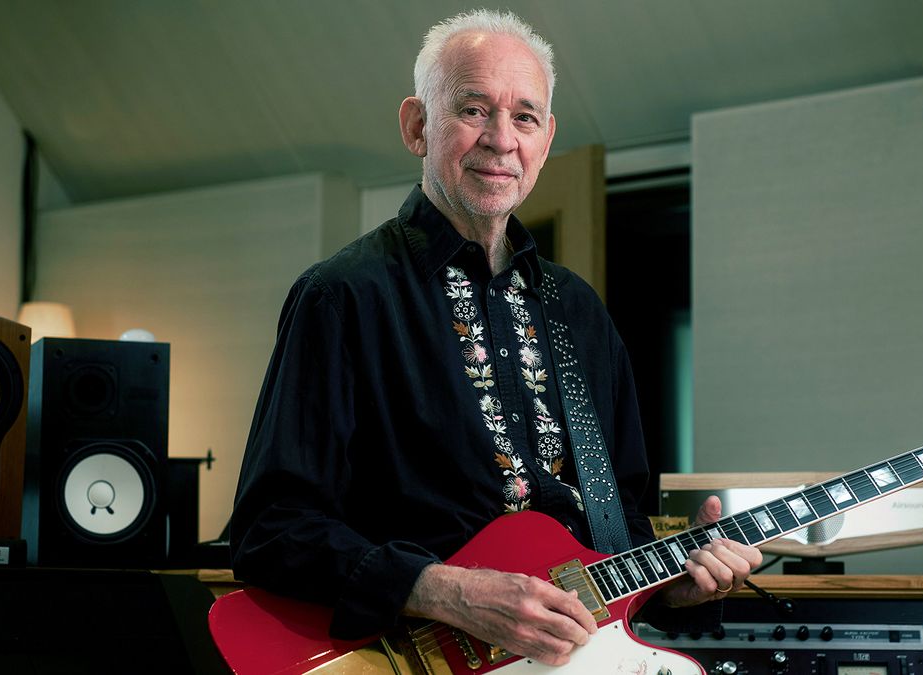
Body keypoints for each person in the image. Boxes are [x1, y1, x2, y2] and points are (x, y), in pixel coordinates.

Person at [229, 8, 761, 667]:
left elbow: (619, 533)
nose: (501, 139)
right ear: (417, 125)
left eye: (525, 117)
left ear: (546, 138)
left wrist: (675, 582)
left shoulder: (580, 313)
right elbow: (269, 530)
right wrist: (442, 591)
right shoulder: (342, 296)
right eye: (474, 110)